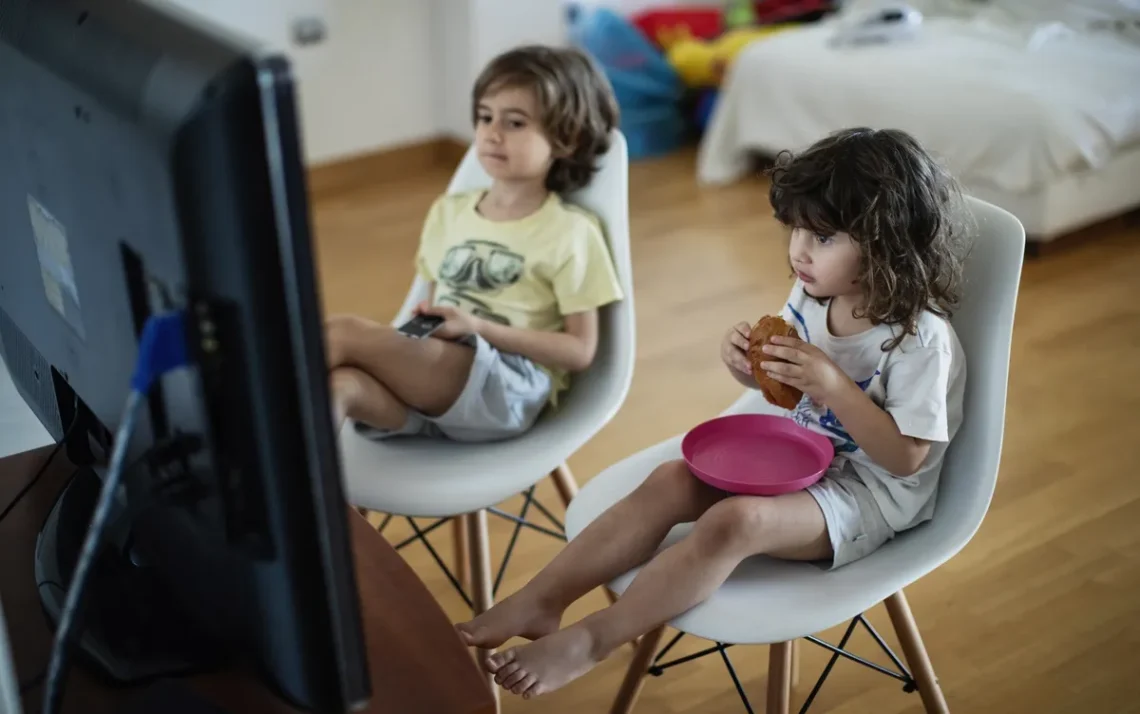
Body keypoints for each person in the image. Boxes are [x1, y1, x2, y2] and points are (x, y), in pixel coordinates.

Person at [456, 128, 969, 700]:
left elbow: (906, 458)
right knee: (672, 477)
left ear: (887, 244)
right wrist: (748, 370)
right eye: (796, 228)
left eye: (822, 237)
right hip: (801, 459)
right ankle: (543, 598)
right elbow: (786, 395)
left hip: (867, 496)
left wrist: (835, 386)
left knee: (735, 523)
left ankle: (594, 639)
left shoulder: (918, 340)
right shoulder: (812, 297)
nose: (799, 249)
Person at [324, 45, 624, 442]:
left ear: (566, 137)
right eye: (485, 118)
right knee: (340, 387)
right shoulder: (449, 213)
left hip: (508, 387)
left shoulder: (571, 232)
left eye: (515, 123)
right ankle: (313, 505)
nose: (491, 134)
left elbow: (580, 351)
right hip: (436, 387)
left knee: (341, 333)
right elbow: (429, 309)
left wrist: (479, 327)